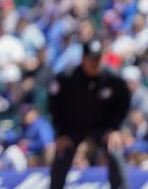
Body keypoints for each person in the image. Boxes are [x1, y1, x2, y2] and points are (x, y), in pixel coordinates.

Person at [47, 40, 131, 189]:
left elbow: (124, 103)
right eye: (91, 58)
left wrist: (115, 128)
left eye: (98, 58)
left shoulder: (113, 79)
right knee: (62, 154)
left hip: (103, 127)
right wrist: (60, 133)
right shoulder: (66, 78)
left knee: (115, 152)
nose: (95, 62)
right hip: (73, 128)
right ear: (83, 59)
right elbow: (54, 106)